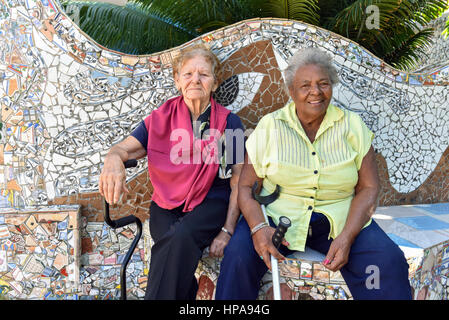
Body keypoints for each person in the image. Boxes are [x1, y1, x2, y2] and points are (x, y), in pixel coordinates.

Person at [215, 47, 412, 300]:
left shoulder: (352, 125)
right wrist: (257, 227)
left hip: (339, 220)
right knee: (238, 258)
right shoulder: (270, 126)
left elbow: (368, 188)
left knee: (388, 262)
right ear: (291, 91)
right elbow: (245, 188)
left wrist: (347, 237)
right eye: (305, 85)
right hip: (277, 218)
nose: (315, 92)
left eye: (323, 84)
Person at [99, 44, 244, 300]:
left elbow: (238, 182)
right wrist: (112, 158)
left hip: (212, 201)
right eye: (187, 74)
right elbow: (123, 149)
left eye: (204, 74)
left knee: (179, 238)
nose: (195, 80)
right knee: (174, 249)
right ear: (177, 80)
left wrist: (227, 230)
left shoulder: (228, 123)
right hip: (165, 202)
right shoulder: (160, 118)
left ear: (215, 82)